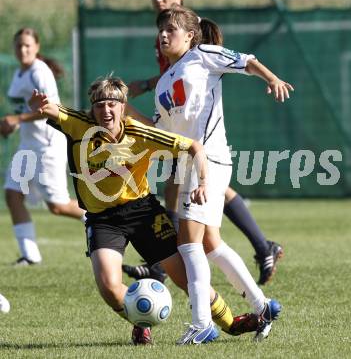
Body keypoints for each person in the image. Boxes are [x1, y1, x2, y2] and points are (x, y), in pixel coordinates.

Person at [29, 77, 262, 345]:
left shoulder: (140, 133)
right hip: (103, 220)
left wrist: (204, 182)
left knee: (186, 280)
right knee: (109, 287)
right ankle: (141, 322)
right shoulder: (79, 124)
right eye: (100, 105)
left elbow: (194, 147)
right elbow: (51, 108)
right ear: (92, 109)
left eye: (112, 104)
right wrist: (39, 105)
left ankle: (231, 323)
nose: (106, 110)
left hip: (143, 213)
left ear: (123, 106)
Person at [128, 5, 293, 344]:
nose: (162, 34)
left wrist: (272, 77)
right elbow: (161, 132)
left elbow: (246, 60)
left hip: (209, 159)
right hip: (190, 163)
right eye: (160, 29)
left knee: (188, 242)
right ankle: (262, 306)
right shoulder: (163, 84)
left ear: (190, 35)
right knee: (209, 243)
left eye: (170, 29)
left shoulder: (202, 55)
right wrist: (126, 113)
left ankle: (201, 323)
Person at [124, 0, 283, 286]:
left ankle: (166, 268)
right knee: (203, 225)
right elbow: (172, 77)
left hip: (198, 126)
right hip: (176, 120)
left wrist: (270, 77)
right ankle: (259, 254)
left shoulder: (184, 27)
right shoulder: (164, 33)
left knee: (196, 198)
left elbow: (203, 64)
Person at [0, 28, 85, 266]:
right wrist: (13, 125)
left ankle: (103, 216)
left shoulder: (40, 72)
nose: (23, 50)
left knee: (58, 206)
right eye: (19, 46)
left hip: (48, 145)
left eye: (28, 45)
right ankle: (30, 255)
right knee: (13, 194)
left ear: (36, 47)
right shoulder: (19, 74)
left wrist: (17, 120)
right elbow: (23, 112)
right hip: (28, 145)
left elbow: (52, 110)